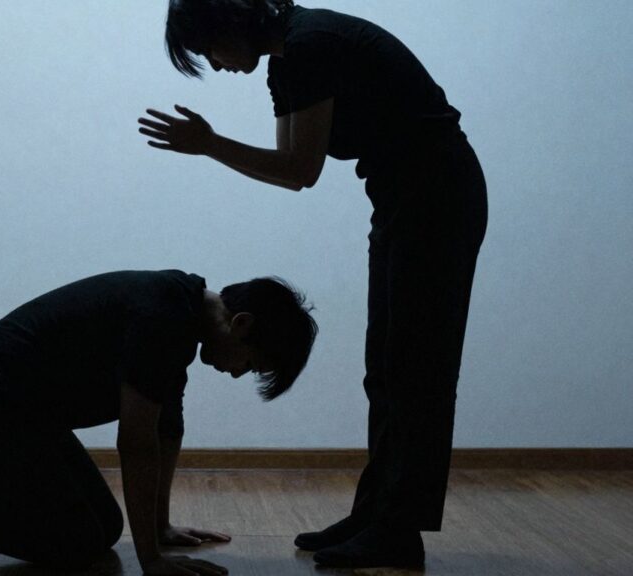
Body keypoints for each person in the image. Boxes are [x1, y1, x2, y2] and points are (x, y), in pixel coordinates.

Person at [139, 0, 488, 569]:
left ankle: (397, 530)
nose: (216, 63)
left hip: (437, 199)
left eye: (209, 48)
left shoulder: (310, 44)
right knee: (387, 367)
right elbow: (290, 168)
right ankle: (377, 515)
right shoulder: (287, 61)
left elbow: (300, 170)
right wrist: (211, 144)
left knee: (416, 369)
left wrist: (210, 144)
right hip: (403, 199)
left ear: (230, 20)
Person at [0, 269, 318, 575]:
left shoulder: (181, 313)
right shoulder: (163, 318)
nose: (238, 373)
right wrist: (151, 561)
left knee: (103, 525)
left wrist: (159, 527)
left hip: (22, 412)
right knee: (76, 540)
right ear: (241, 324)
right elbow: (136, 443)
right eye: (250, 365)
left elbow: (166, 431)